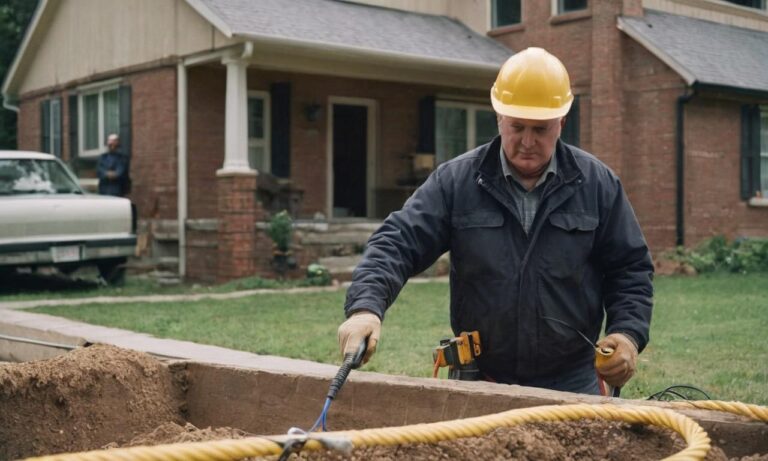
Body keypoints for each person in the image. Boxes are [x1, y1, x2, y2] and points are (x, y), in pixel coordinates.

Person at [337, 47, 653, 395]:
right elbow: (397, 242)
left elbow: (630, 268)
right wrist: (365, 309)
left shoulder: (597, 184)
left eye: (541, 129)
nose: (528, 142)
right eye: (517, 127)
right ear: (499, 116)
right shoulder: (456, 182)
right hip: (481, 376)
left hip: (572, 380)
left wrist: (627, 333)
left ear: (562, 122)